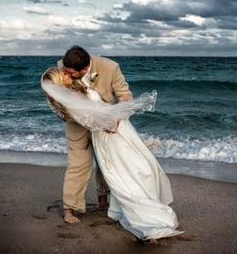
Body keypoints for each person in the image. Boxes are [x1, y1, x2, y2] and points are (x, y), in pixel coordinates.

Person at [41, 63, 184, 242]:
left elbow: (99, 87)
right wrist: (108, 122)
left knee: (139, 166)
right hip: (105, 131)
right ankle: (71, 208)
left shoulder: (80, 81)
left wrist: (115, 108)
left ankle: (114, 201)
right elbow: (88, 119)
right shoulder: (67, 102)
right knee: (102, 168)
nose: (67, 73)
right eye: (64, 74)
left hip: (119, 128)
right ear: (59, 83)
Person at [45, 46, 133, 224]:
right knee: (78, 165)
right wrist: (62, 113)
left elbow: (125, 96)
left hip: (106, 125)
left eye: (70, 73)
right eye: (65, 70)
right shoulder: (63, 67)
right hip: (77, 126)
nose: (65, 74)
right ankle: (69, 208)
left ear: (84, 69)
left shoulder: (110, 68)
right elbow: (56, 96)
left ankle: (103, 200)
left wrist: (115, 119)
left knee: (107, 164)